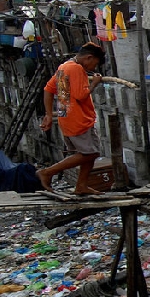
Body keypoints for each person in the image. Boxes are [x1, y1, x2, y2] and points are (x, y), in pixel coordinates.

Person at [36, 42, 106, 195]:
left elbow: (48, 89)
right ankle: (47, 172)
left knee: (88, 153)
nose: (93, 68)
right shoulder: (76, 68)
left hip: (66, 117)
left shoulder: (64, 66)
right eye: (94, 63)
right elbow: (81, 95)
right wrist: (94, 83)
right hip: (78, 118)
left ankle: (81, 185)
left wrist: (49, 114)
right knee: (91, 153)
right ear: (89, 57)